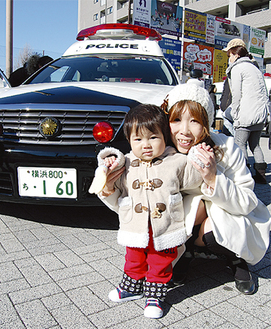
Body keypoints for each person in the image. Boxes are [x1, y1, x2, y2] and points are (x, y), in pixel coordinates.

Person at [95, 104, 204, 318]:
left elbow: (195, 179)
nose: (146, 145)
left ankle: (155, 294)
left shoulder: (176, 161)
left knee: (161, 258)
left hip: (164, 225)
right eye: (138, 139)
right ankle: (132, 287)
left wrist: (200, 158)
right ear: (129, 142)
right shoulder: (125, 163)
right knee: (133, 256)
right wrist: (108, 162)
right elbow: (109, 180)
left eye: (153, 138)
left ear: (164, 137)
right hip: (135, 224)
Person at [161, 83, 271, 295]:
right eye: (176, 120)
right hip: (186, 221)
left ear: (206, 124)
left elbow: (248, 201)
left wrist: (213, 177)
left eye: (194, 120)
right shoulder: (163, 150)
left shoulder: (227, 147)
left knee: (212, 227)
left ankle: (235, 259)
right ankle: (184, 253)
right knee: (191, 208)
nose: (184, 131)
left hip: (228, 217)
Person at [223, 38, 269, 184]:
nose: (229, 58)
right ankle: (261, 176)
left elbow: (237, 94)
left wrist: (235, 113)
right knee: (255, 145)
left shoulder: (238, 68)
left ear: (235, 54)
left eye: (229, 55)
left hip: (246, 115)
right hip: (260, 115)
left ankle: (243, 175)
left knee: (240, 143)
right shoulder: (255, 68)